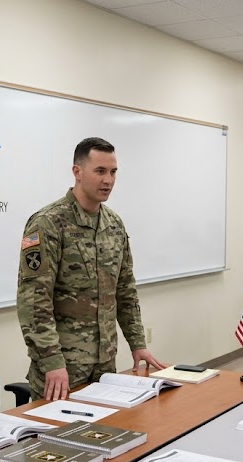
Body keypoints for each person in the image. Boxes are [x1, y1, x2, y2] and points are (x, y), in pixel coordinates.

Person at [17, 137, 164, 401]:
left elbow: (126, 292)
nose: (108, 180)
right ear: (77, 172)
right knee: (55, 438)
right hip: (62, 371)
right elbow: (34, 304)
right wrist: (51, 362)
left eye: (113, 172)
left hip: (105, 366)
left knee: (104, 436)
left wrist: (138, 344)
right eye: (100, 171)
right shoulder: (48, 224)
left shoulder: (114, 225)